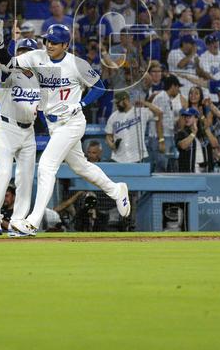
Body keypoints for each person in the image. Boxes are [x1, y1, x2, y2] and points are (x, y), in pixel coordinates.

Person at [9, 24, 130, 237]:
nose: (49, 45)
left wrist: (81, 104)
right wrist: (13, 41)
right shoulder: (37, 56)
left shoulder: (76, 63)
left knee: (46, 166)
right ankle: (116, 189)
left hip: (72, 122)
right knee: (81, 167)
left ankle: (33, 222)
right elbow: (8, 63)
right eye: (47, 40)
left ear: (66, 44)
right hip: (54, 125)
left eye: (55, 42)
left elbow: (100, 86)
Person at [0, 20, 39, 236]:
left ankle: (18, 222)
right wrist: (0, 47)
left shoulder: (41, 77)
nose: (26, 55)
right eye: (22, 51)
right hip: (7, 128)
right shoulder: (9, 71)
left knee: (26, 178)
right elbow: (5, 61)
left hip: (29, 131)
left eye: (29, 51)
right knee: (4, 172)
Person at [107, 90, 157, 165]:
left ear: (126, 100)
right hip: (118, 158)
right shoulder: (113, 116)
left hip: (137, 156)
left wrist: (144, 103)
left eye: (118, 102)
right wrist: (111, 144)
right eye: (116, 103)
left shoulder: (141, 112)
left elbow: (158, 113)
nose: (116, 105)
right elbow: (108, 135)